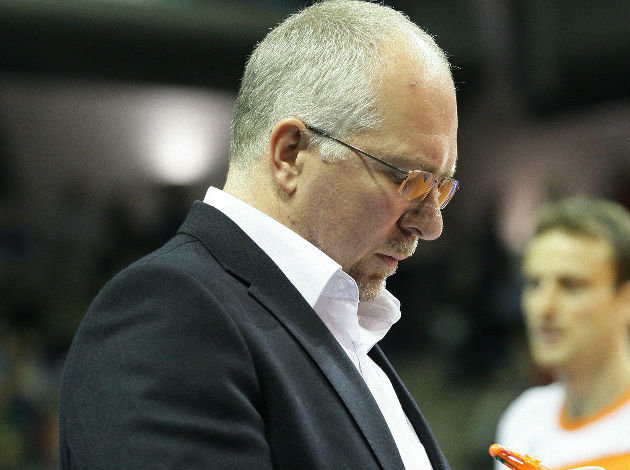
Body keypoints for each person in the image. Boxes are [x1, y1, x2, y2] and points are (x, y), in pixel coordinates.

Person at [58, 1, 459, 468]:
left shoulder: (337, 328)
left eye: (441, 187)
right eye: (408, 179)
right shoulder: (168, 314)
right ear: (290, 155)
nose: (431, 224)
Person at [495, 197, 630, 470]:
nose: (544, 307)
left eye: (571, 285)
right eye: (534, 283)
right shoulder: (523, 420)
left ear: (626, 298)